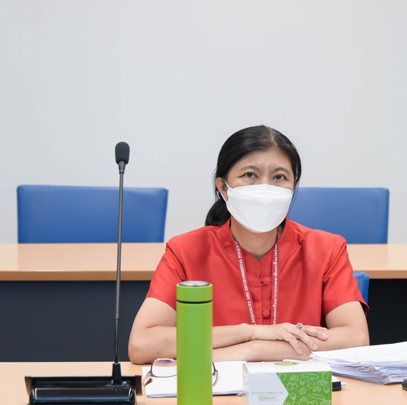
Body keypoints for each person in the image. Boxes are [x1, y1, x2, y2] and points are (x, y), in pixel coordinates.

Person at [128, 125, 369, 364]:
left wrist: (254, 350)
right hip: (217, 388)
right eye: (250, 175)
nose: (265, 187)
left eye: (279, 177)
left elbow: (356, 339)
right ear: (223, 187)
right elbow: (142, 344)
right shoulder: (185, 251)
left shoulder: (327, 249)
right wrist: (249, 333)